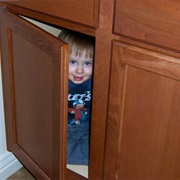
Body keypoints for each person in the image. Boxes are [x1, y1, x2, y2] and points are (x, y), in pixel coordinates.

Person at [58, 30, 95, 165]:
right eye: (72, 61)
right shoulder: (58, 79)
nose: (80, 70)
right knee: (58, 151)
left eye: (87, 63)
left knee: (105, 148)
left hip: (87, 127)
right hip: (64, 129)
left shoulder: (96, 81)